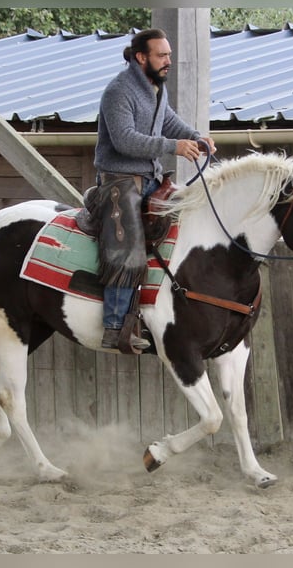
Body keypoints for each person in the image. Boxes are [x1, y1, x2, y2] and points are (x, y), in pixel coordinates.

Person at [93, 28, 216, 351]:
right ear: (141, 57)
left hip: (151, 180)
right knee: (128, 249)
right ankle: (115, 326)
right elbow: (124, 139)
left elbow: (169, 121)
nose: (168, 61)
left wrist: (196, 136)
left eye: (169, 55)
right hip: (119, 181)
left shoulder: (156, 87)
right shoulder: (119, 91)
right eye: (162, 55)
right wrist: (173, 146)